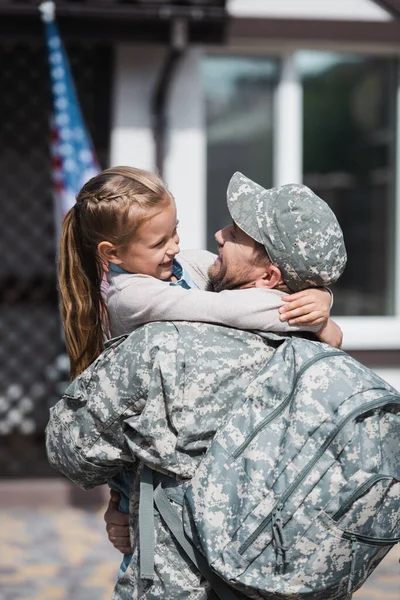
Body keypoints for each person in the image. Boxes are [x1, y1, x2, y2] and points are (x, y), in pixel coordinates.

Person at [47, 172, 347, 600]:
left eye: (237, 233)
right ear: (111, 252)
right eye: (160, 241)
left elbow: (76, 450)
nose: (216, 235)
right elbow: (222, 307)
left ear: (269, 275)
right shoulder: (134, 295)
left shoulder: (178, 295)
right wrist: (316, 307)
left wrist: (320, 303)